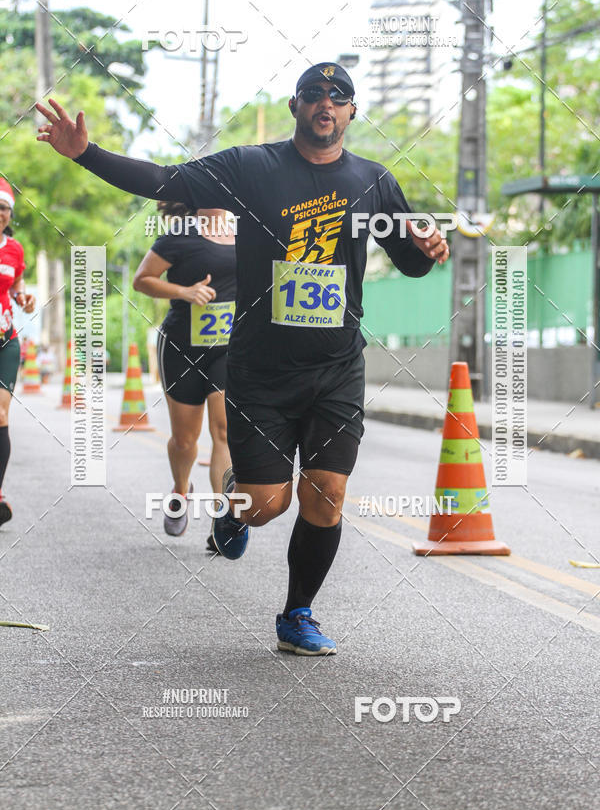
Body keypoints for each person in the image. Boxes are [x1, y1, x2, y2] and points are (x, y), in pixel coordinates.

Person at [36, 62, 449, 655]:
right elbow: (163, 178)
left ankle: (296, 614)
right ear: (295, 106)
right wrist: (86, 154)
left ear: (352, 112)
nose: (325, 104)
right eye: (313, 95)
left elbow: (409, 260)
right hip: (260, 368)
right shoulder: (250, 168)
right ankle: (234, 499)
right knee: (266, 505)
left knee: (326, 493)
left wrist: (428, 246)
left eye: (338, 96)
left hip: (337, 366)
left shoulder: (374, 181)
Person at [132, 201, 236, 547]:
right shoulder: (178, 236)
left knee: (223, 432)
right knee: (185, 440)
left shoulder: (246, 234)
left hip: (229, 347)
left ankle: (223, 522)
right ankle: (181, 489)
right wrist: (184, 292)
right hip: (182, 346)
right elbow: (142, 280)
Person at [0, 179, 36, 526]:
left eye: (4, 208)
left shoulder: (15, 249)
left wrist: (23, 297)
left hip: (6, 339)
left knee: (0, 414)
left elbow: (16, 286)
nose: (0, 213)